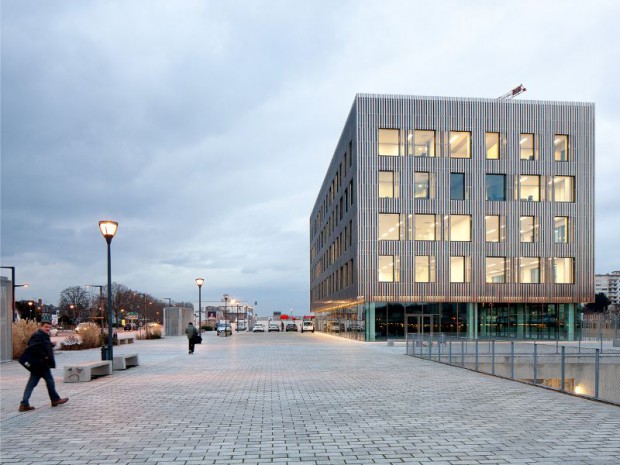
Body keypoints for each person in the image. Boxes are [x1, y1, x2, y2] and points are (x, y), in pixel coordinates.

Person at [19, 320, 68, 412]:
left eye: (49, 327)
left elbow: (41, 346)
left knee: (32, 383)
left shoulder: (43, 335)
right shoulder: (38, 335)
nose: (48, 329)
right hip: (40, 364)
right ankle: (55, 399)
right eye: (46, 327)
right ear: (41, 327)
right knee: (49, 380)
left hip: (38, 364)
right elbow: (33, 347)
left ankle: (24, 404)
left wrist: (51, 345)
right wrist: (44, 356)